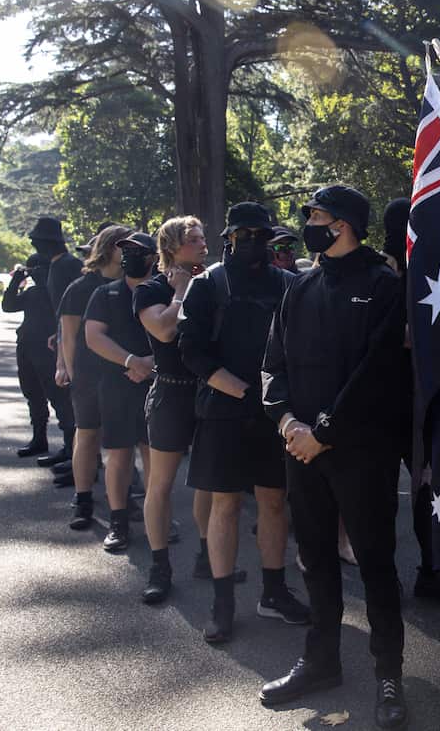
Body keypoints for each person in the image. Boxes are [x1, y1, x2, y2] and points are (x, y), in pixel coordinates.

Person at [260, 186, 409, 729]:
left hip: (361, 453)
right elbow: (272, 363)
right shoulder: (299, 286)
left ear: (343, 224)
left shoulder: (384, 286)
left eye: (317, 216)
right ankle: (320, 661)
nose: (309, 224)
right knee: (315, 560)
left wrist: (324, 430)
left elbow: (377, 373)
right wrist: (287, 421)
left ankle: (388, 675)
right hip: (301, 451)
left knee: (375, 565)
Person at [178, 201, 309, 643]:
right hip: (223, 410)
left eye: (261, 235)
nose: (254, 242)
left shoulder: (289, 284)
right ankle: (222, 602)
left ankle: (273, 592)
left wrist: (279, 399)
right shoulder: (208, 285)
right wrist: (232, 386)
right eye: (245, 235)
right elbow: (191, 349)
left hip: (273, 413)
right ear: (229, 238)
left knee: (274, 503)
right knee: (226, 505)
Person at [134, 216, 209, 604]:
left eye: (202, 238)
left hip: (208, 393)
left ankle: (209, 556)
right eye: (194, 240)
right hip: (169, 394)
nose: (203, 245)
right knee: (160, 485)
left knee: (208, 481)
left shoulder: (211, 282)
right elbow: (163, 331)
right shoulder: (151, 289)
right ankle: (159, 566)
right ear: (172, 247)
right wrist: (180, 292)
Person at [378, 196, 440, 602]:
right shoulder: (392, 275)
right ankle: (420, 570)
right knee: (413, 488)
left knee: (415, 489)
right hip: (404, 397)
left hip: (404, 399)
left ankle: (426, 569)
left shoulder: (421, 272)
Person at [84, 231, 158, 553]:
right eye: (125, 251)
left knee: (154, 455)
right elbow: (93, 337)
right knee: (119, 455)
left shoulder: (166, 292)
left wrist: (150, 364)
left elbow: (180, 333)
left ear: (154, 258)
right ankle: (118, 522)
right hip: (116, 385)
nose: (129, 256)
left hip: (156, 386)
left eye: (137, 251)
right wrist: (131, 361)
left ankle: (159, 517)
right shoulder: (105, 294)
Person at [58, 225, 131, 520]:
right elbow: (69, 337)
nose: (129, 252)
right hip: (89, 376)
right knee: (86, 436)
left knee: (121, 444)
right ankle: (83, 498)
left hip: (124, 376)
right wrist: (74, 376)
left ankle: (123, 501)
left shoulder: (133, 284)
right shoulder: (79, 288)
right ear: (109, 248)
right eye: (124, 246)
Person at [22, 216, 82, 466]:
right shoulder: (58, 266)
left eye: (38, 241)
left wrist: (62, 339)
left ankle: (75, 453)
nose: (35, 246)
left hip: (73, 341)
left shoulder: (67, 266)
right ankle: (73, 453)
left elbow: (72, 309)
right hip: (60, 336)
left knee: (65, 398)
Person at [2, 253, 75, 459]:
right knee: (32, 393)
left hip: (49, 350)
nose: (38, 274)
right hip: (27, 347)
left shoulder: (59, 291)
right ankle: (39, 438)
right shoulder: (32, 292)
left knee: (58, 397)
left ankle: (70, 447)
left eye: (40, 269)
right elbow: (8, 306)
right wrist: (16, 280)